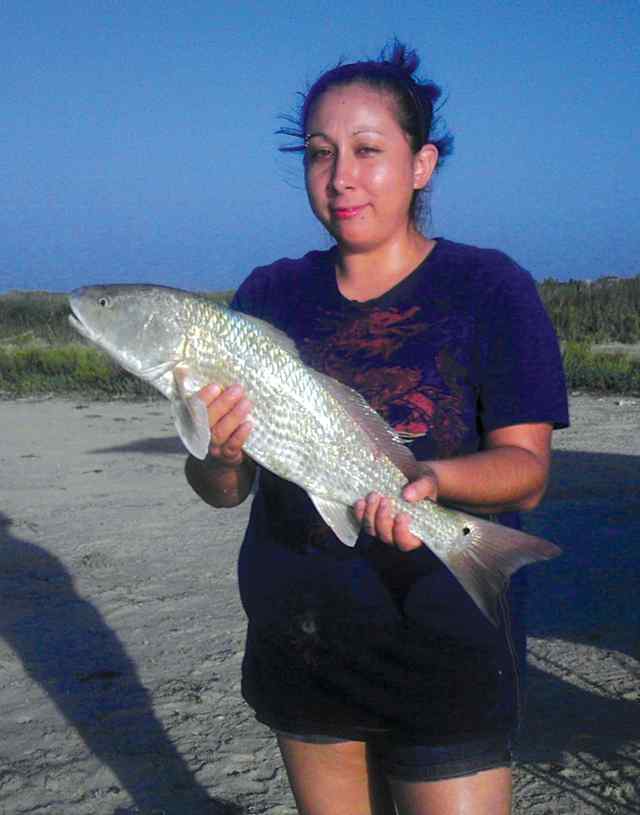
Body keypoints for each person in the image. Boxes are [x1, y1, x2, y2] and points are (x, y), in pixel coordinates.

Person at [185, 41, 569, 815]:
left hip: (443, 641)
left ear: (421, 163)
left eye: (368, 150)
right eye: (319, 154)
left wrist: (432, 483)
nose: (341, 177)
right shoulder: (268, 294)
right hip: (301, 636)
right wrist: (219, 453)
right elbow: (224, 491)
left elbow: (526, 465)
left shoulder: (490, 287)